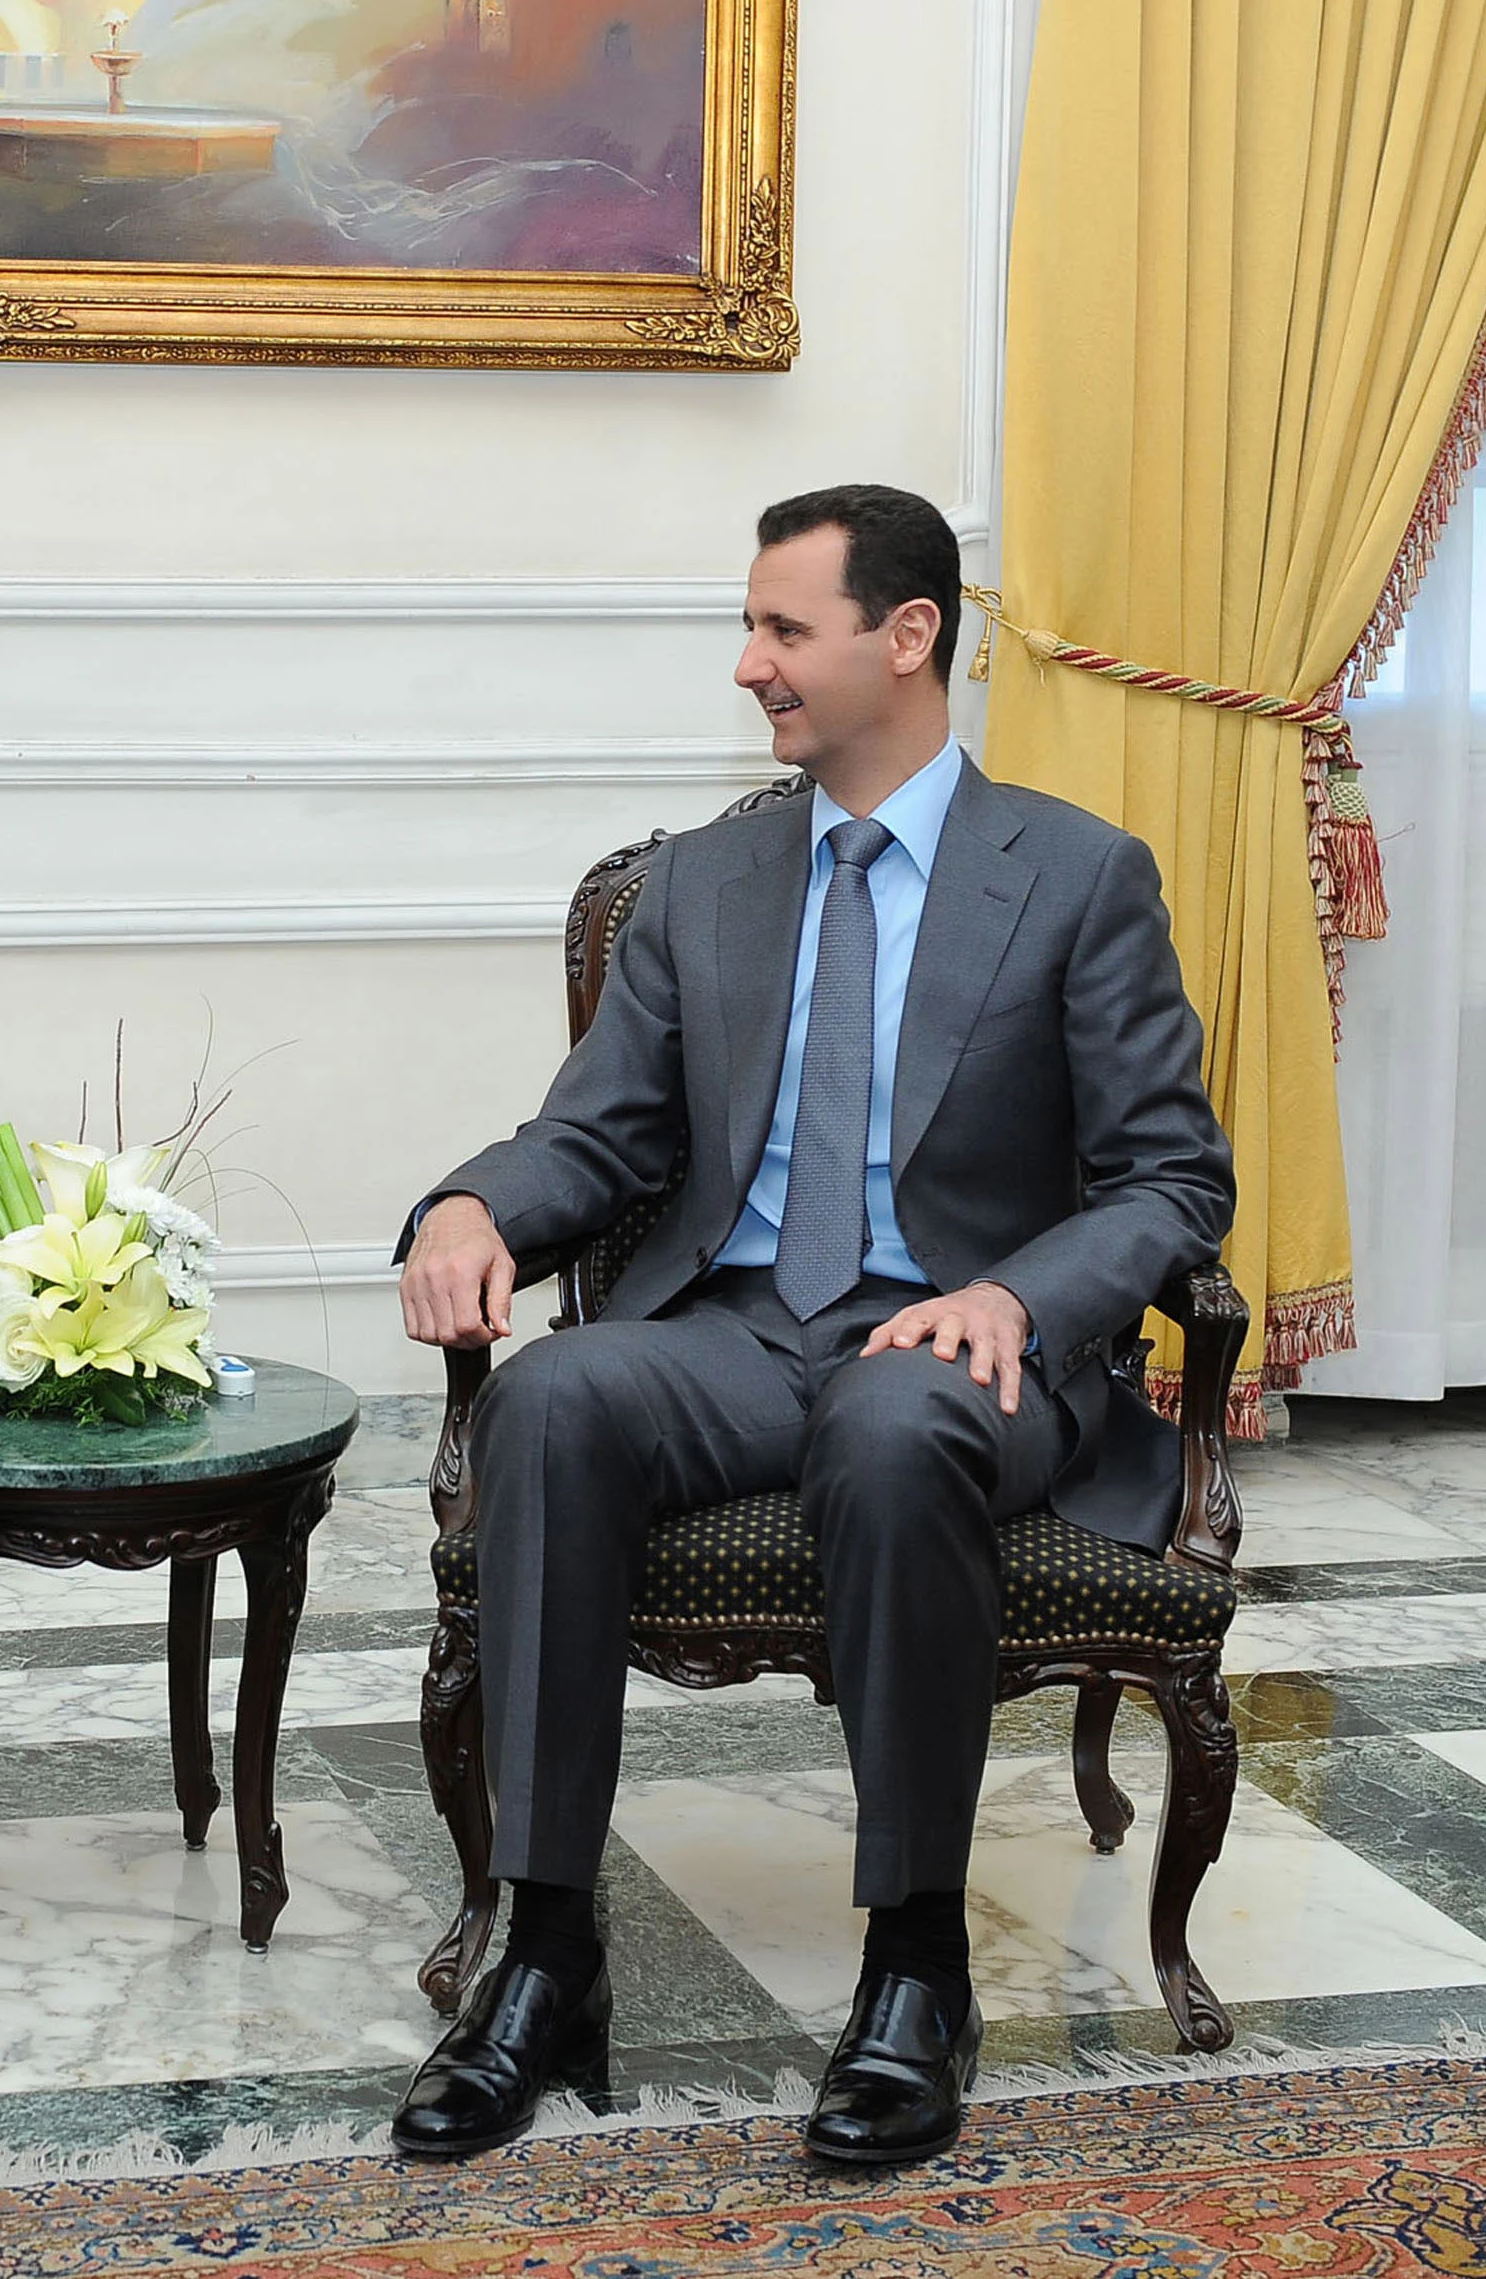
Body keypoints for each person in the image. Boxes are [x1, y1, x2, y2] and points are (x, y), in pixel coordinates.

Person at [387, 484, 1233, 2167]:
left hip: (966, 1352)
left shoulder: (1074, 876)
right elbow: (602, 1130)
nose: (749, 667)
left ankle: (916, 1962)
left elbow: (1170, 1183)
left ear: (905, 639)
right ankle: (546, 1955)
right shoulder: (707, 881)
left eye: (784, 629)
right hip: (739, 1326)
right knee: (550, 1401)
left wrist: (1014, 1293)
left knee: (895, 1415)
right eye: (751, 627)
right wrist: (468, 1206)